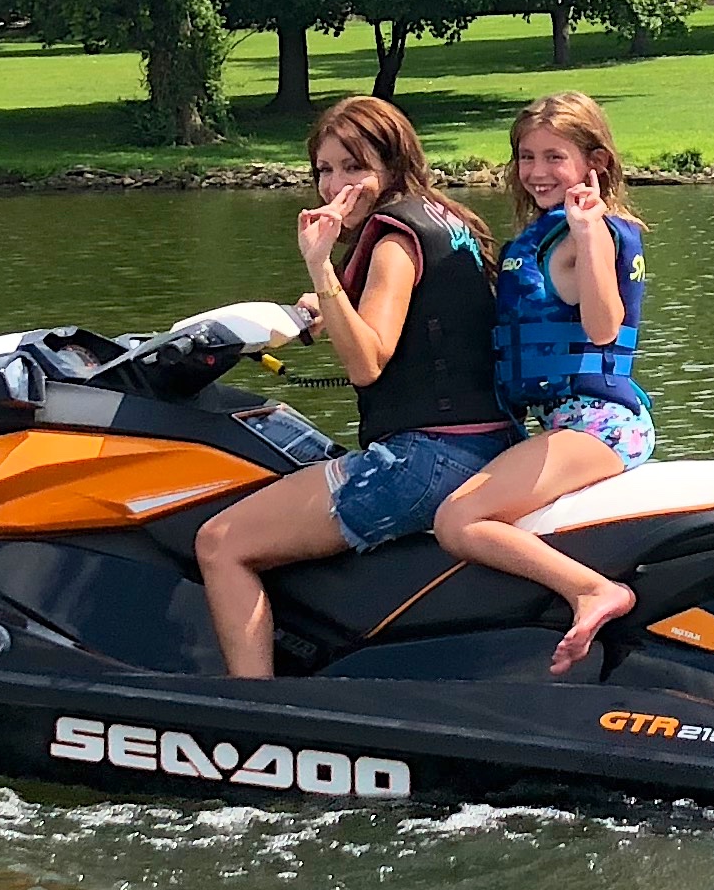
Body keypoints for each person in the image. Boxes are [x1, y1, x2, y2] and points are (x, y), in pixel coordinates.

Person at [193, 95, 511, 679]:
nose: (336, 185)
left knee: (221, 543)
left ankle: (256, 709)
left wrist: (320, 266)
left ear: (393, 165)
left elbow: (367, 363)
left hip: (425, 459)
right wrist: (333, 305)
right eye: (325, 169)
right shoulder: (449, 220)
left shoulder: (391, 242)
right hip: (488, 445)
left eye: (354, 166)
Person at [431, 92, 651, 675]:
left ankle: (592, 590)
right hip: (565, 420)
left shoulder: (590, 233)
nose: (536, 172)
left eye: (555, 157)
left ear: (594, 163)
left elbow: (603, 328)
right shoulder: (539, 239)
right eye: (527, 157)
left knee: (458, 521)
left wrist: (587, 232)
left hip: (599, 424)